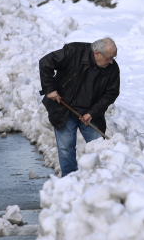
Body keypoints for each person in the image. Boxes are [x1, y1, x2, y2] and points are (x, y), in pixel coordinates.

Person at [39, 38, 120, 176]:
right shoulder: (73, 52)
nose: (111, 62)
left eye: (113, 58)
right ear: (97, 54)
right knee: (66, 149)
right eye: (109, 58)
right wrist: (49, 89)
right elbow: (45, 62)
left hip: (90, 114)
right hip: (65, 111)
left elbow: (111, 94)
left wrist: (93, 112)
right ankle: (70, 181)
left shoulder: (112, 68)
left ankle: (100, 179)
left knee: (99, 148)